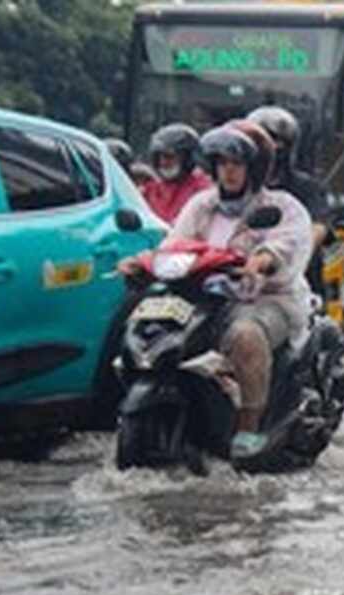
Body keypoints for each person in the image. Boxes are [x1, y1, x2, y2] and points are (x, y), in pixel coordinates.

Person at [117, 120, 313, 455]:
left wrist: (262, 260)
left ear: (253, 167)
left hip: (265, 298)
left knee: (245, 335)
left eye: (237, 163)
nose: (229, 171)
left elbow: (286, 245)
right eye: (222, 163)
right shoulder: (202, 205)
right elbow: (175, 244)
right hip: (205, 299)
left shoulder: (281, 207)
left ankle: (249, 427)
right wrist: (143, 262)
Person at [246, 106, 330, 295]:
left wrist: (288, 251)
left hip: (295, 283)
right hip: (242, 277)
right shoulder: (238, 187)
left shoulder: (306, 187)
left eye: (270, 140)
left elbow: (318, 227)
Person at [141, 123, 213, 223]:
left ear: (187, 158)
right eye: (158, 157)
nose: (163, 163)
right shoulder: (149, 190)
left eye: (169, 156)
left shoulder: (203, 189)